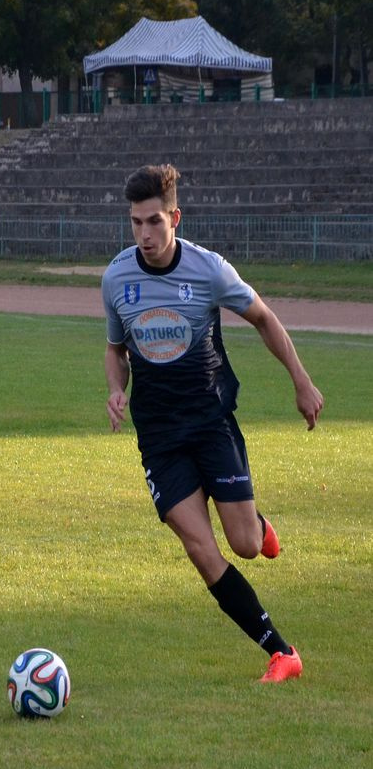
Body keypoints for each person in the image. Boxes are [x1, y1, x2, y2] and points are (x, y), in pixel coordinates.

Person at [102, 165, 323, 683]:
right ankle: (282, 653)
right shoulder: (116, 278)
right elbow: (115, 349)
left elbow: (264, 317)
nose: (144, 235)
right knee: (202, 550)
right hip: (159, 437)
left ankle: (258, 526)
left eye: (154, 222)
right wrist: (115, 388)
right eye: (135, 223)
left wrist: (301, 381)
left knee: (244, 543)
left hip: (209, 420)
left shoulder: (209, 270)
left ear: (175, 218)